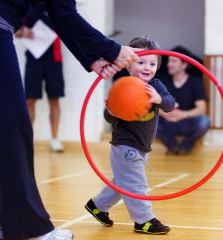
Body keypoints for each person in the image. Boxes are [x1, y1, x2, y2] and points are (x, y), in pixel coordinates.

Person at [0, 0, 139, 239]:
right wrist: (112, 50)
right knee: (15, 127)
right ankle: (29, 228)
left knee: (8, 126)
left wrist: (91, 59)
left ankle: (2, 220)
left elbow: (58, 16)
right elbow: (66, 15)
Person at [84, 37, 175, 235]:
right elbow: (108, 117)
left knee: (123, 182)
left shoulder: (157, 86)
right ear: (128, 65)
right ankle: (144, 220)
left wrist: (158, 99)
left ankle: (97, 205)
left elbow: (170, 104)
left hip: (143, 146)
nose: (147, 67)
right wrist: (113, 112)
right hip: (125, 146)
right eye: (141, 62)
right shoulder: (123, 86)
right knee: (135, 183)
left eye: (152, 63)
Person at [15, 4, 66, 152]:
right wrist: (23, 32)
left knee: (54, 99)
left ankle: (55, 139)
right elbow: (15, 30)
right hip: (34, 59)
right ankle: (28, 138)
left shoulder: (57, 7)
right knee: (30, 99)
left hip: (54, 60)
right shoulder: (29, 7)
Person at [156, 46, 210, 155]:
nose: (169, 64)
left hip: (187, 122)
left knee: (204, 121)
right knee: (148, 119)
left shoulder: (195, 82)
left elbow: (202, 109)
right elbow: (153, 106)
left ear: (184, 65)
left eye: (174, 61)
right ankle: (173, 146)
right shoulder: (162, 82)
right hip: (168, 122)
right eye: (169, 61)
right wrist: (165, 114)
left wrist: (183, 114)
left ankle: (186, 146)